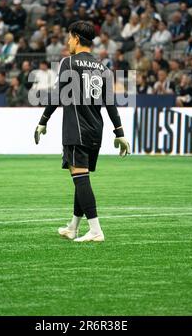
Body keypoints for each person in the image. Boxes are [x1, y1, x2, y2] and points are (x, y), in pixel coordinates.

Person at [34, 21, 130, 243]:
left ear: (76, 38)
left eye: (69, 38)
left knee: (80, 179)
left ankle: (95, 230)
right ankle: (72, 227)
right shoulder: (103, 68)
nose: (68, 42)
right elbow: (111, 103)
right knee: (81, 176)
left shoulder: (69, 63)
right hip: (96, 130)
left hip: (75, 130)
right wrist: (120, 132)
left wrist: (43, 120)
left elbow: (59, 94)